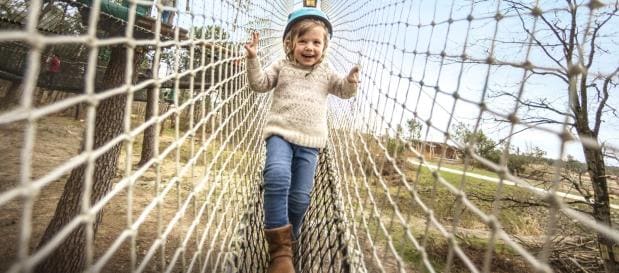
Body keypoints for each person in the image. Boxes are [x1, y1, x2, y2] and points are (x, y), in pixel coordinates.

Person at [244, 7, 360, 273]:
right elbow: (260, 84)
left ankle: (291, 237)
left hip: (310, 142)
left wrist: (351, 82)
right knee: (276, 176)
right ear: (290, 43)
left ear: (324, 46)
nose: (310, 47)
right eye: (303, 41)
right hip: (280, 134)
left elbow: (342, 90)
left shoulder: (326, 70)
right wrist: (253, 59)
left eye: (316, 42)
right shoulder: (282, 66)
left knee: (299, 200)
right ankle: (280, 252)